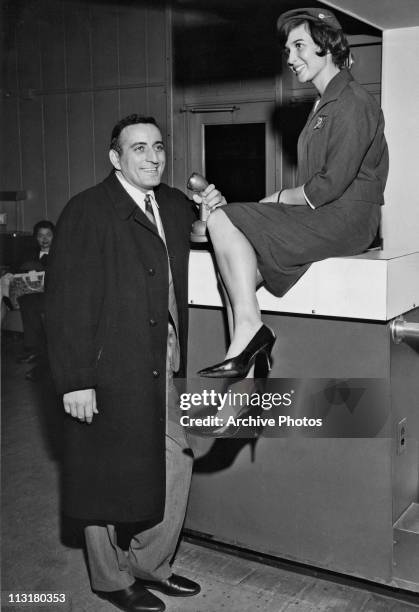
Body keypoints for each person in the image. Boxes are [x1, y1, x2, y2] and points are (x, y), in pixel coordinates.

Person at [45, 115, 225, 612]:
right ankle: (108, 578)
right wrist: (76, 380)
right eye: (139, 148)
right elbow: (65, 304)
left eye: (158, 147)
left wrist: (208, 225)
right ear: (115, 157)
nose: (152, 157)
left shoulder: (168, 203)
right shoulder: (87, 211)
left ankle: (150, 564)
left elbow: (181, 257)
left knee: (175, 459)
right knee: (102, 471)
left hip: (159, 363)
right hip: (105, 370)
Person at [198, 7, 389, 379]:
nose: (290, 58)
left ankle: (252, 336)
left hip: (345, 219)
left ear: (326, 44)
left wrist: (279, 198)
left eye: (299, 45)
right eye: (287, 50)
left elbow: (329, 185)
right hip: (322, 216)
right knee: (235, 276)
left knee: (223, 219)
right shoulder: (322, 105)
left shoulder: (354, 101)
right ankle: (247, 375)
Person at [17, 220, 55, 381]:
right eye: (40, 236)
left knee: (36, 307)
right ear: (35, 238)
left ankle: (38, 355)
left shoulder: (61, 254)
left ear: (55, 237)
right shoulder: (29, 254)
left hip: (55, 295)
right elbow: (17, 271)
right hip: (34, 295)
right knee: (27, 302)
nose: (44, 239)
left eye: (48, 235)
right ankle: (35, 351)